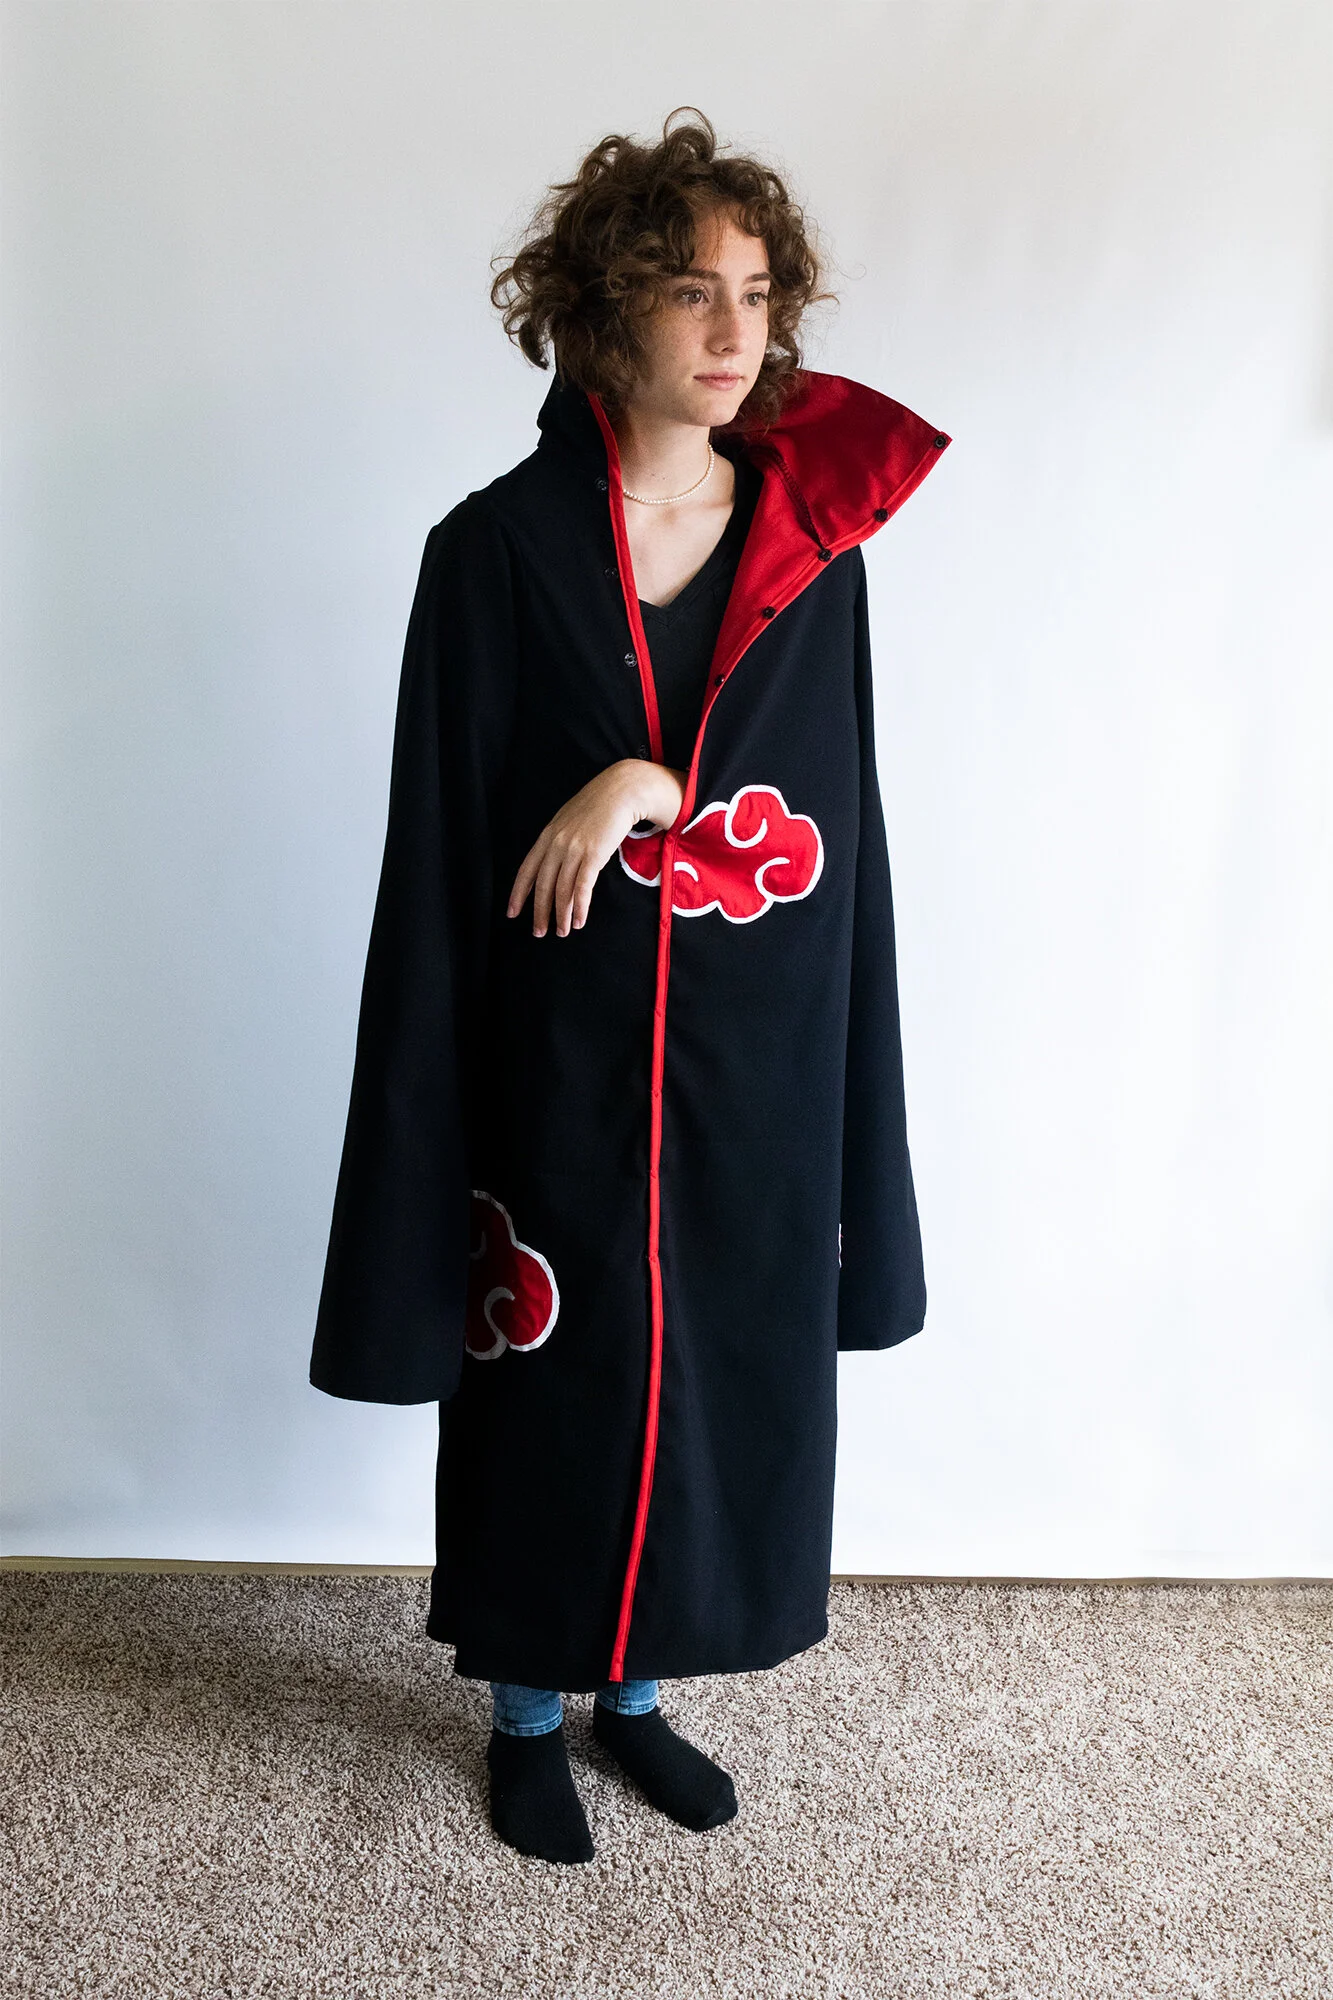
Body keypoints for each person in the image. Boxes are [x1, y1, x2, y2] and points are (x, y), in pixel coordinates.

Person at [309, 107, 951, 1865]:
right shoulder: (495, 552)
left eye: (755, 291)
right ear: (602, 312)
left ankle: (641, 1696)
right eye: (688, 291)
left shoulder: (812, 556)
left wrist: (649, 784)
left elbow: (831, 822)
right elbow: (444, 837)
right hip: (555, 1048)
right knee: (561, 1374)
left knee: (717, 1368)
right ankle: (529, 1709)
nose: (734, 329)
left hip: (753, 1054)